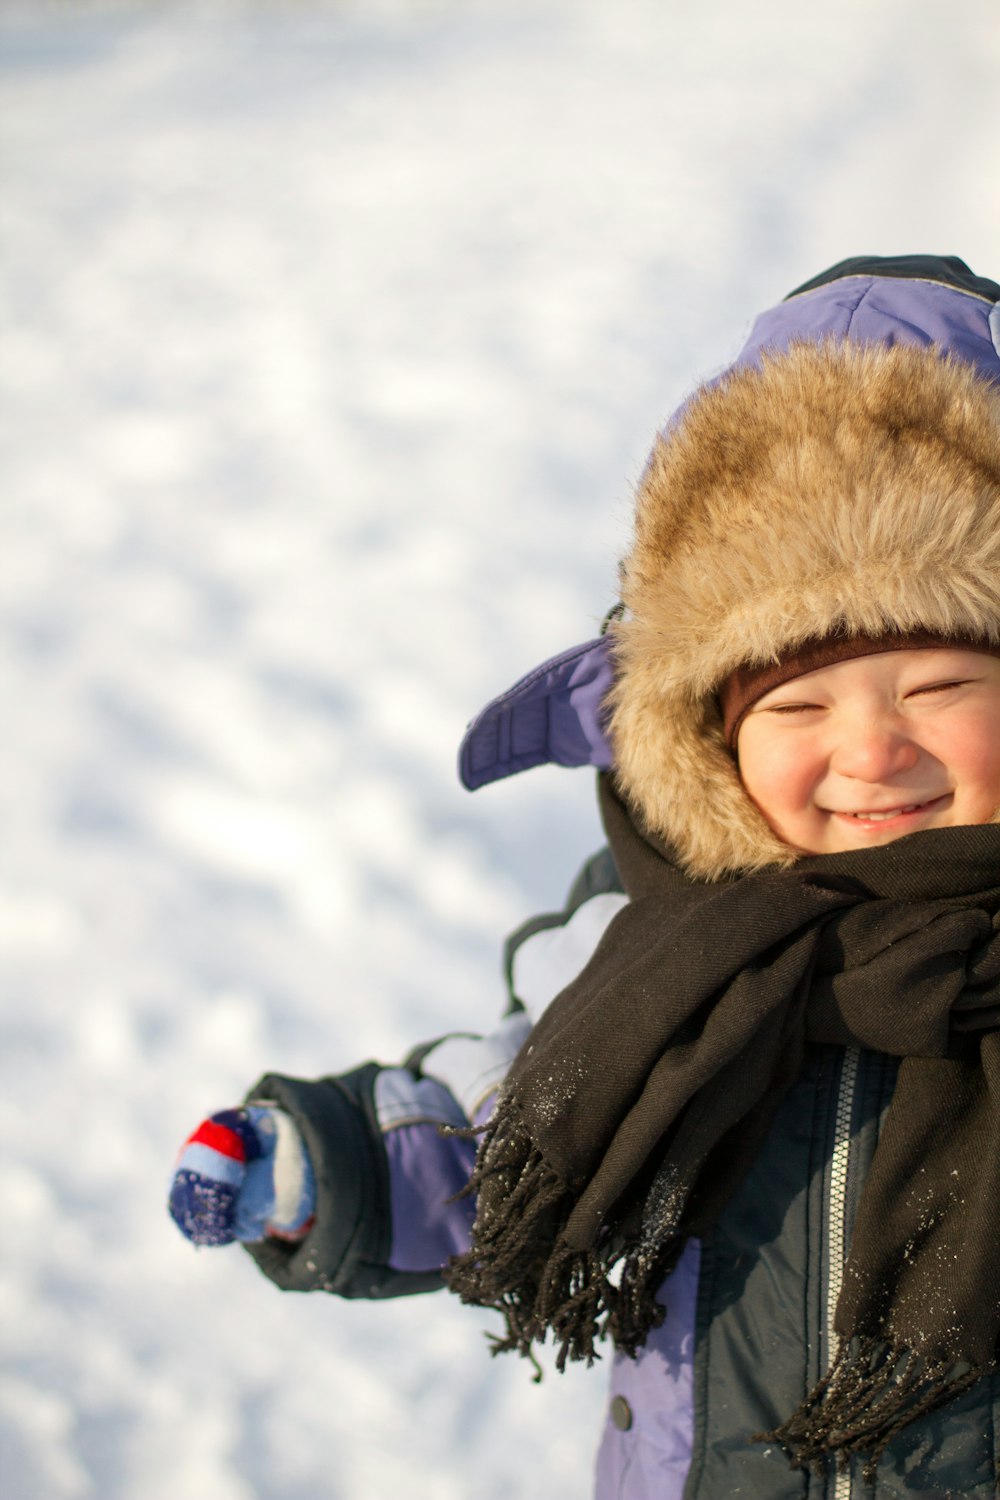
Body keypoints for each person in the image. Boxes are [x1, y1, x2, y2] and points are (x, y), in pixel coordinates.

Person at [169, 254, 1000, 1499]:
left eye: (936, 685)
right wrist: (330, 1159)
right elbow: (512, 1123)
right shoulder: (654, 947)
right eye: (797, 701)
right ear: (704, 730)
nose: (868, 749)